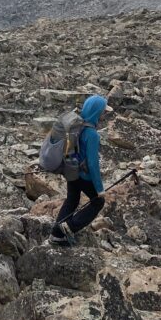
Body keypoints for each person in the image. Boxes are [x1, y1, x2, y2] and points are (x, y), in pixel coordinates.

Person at [50, 94, 109, 245]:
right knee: (98, 202)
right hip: (83, 175)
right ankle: (69, 227)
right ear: (97, 112)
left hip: (70, 169)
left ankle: (56, 235)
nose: (104, 114)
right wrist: (99, 188)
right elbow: (92, 163)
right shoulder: (92, 134)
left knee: (72, 200)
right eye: (103, 111)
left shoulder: (76, 125)